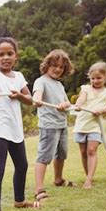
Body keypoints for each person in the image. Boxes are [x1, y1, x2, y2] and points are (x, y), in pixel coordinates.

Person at [0, 37, 38, 211]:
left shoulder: (19, 76)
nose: (5, 57)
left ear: (16, 56)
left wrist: (20, 95)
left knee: (22, 165)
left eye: (9, 54)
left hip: (15, 127)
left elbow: (29, 100)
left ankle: (20, 201)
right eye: (1, 54)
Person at [32, 49, 75, 203]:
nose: (57, 69)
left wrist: (65, 104)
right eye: (54, 65)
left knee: (61, 154)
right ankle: (39, 189)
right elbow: (37, 94)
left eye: (61, 67)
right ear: (47, 65)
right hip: (49, 125)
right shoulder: (41, 81)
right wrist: (36, 99)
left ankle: (58, 179)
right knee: (44, 156)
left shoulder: (59, 85)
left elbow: (67, 101)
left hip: (62, 123)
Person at [73, 62, 106, 189]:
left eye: (99, 78)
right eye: (93, 78)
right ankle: (88, 175)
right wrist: (78, 105)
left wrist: (101, 110)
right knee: (83, 152)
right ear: (89, 78)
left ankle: (89, 179)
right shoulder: (85, 89)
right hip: (82, 124)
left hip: (95, 126)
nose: (95, 81)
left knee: (91, 151)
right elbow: (81, 98)